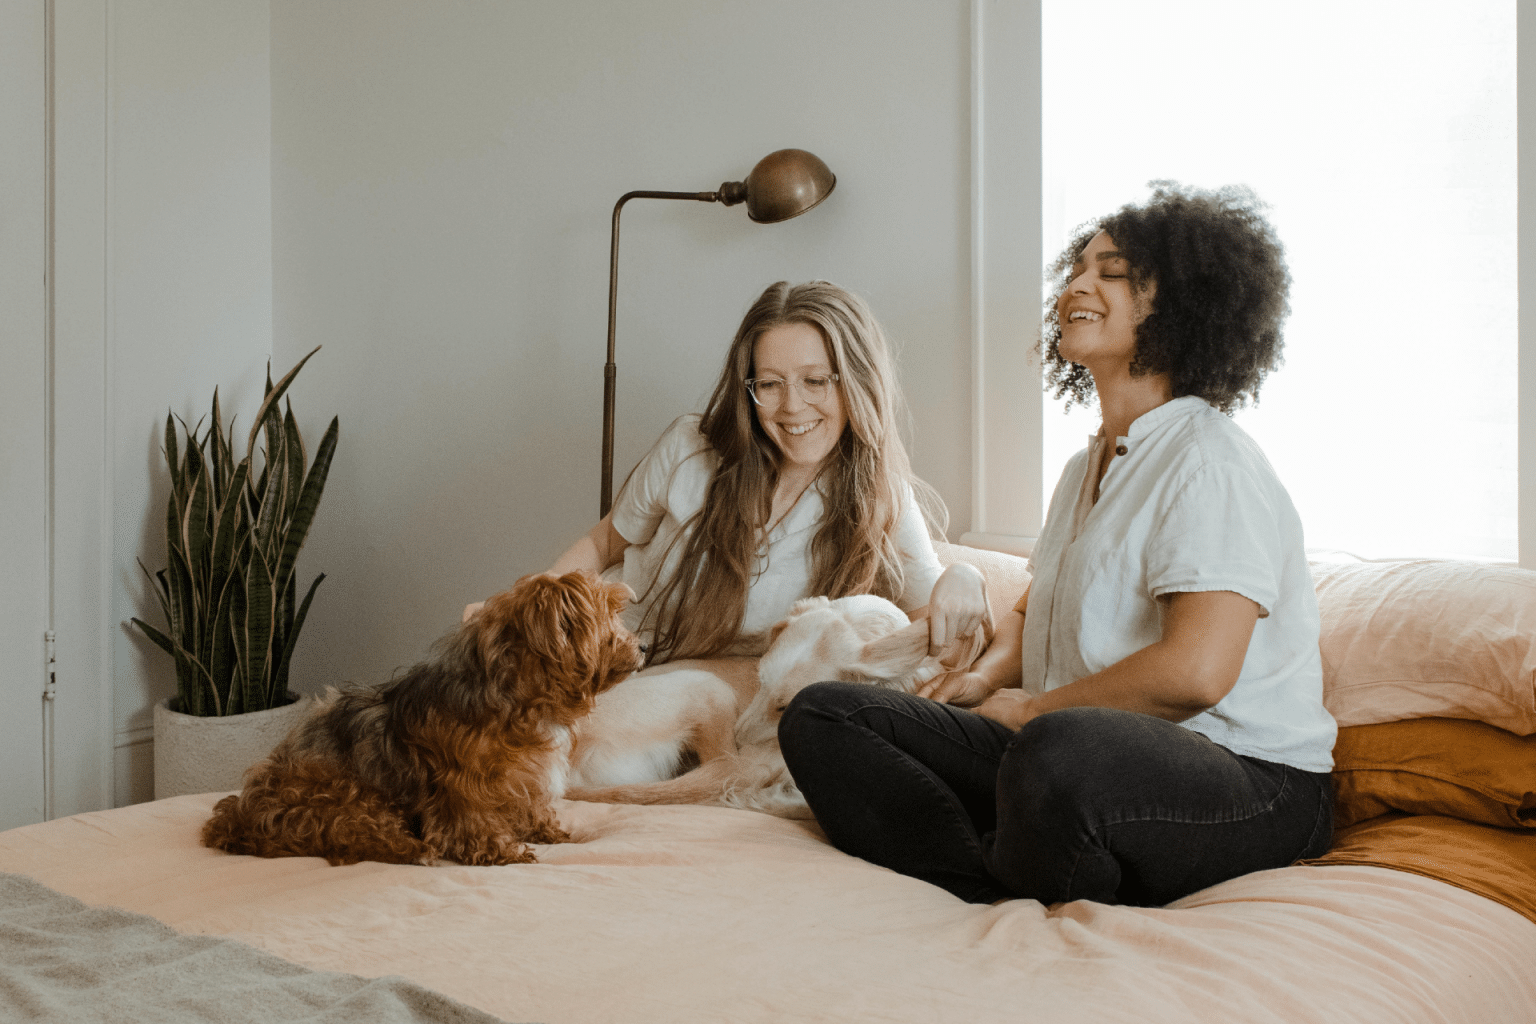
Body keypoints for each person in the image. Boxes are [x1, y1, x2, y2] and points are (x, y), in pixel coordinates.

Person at [778, 183, 1337, 907]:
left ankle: (1026, 850)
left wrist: (1036, 711)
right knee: (827, 716)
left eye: (1111, 271)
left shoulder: (1209, 460)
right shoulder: (1088, 467)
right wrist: (978, 685)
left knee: (1055, 753)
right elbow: (1033, 607)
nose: (1076, 283)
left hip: (1250, 782)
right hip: (1071, 751)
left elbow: (1197, 671)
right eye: (1077, 268)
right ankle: (988, 881)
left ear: (1181, 302)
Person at [467, 280, 989, 664]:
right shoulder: (690, 447)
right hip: (604, 658)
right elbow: (604, 545)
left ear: (855, 382)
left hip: (711, 694)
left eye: (814, 381)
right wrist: (517, 611)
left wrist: (965, 575)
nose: (792, 408)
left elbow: (931, 622)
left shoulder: (881, 495)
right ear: (749, 387)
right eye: (770, 383)